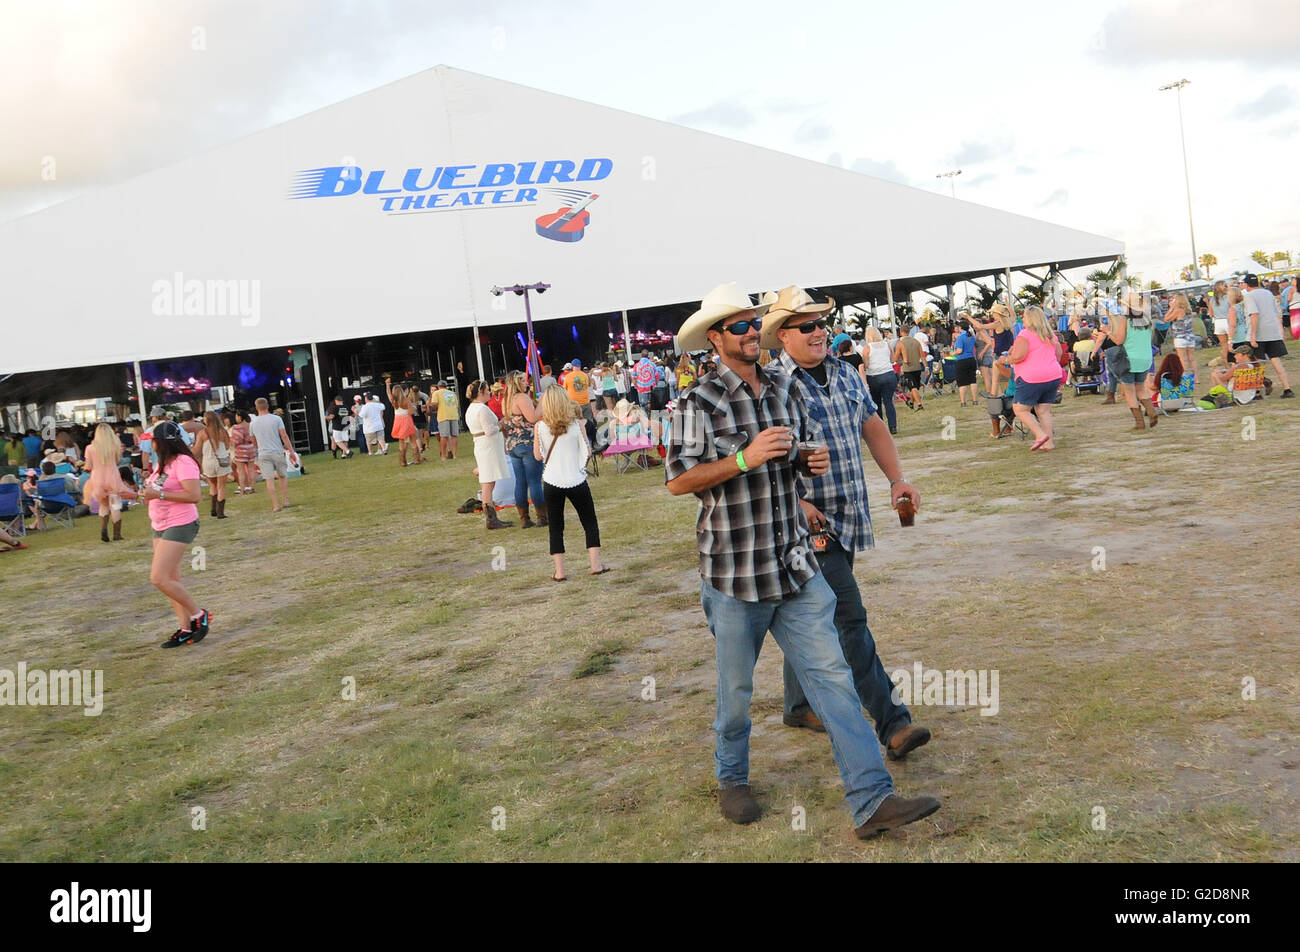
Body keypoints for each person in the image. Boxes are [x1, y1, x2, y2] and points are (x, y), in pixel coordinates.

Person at [666, 281, 940, 836]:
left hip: (793, 564)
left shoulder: (780, 390)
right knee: (737, 692)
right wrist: (742, 458)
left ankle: (872, 800)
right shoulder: (696, 402)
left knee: (834, 679)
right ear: (716, 338)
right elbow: (679, 481)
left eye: (753, 322)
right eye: (739, 326)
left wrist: (802, 465)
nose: (750, 332)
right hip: (734, 572)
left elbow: (791, 459)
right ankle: (732, 777)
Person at [762, 286, 930, 763]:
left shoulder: (846, 373)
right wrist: (795, 501)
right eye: (806, 326)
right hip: (804, 524)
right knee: (847, 618)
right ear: (782, 335)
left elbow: (872, 426)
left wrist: (897, 478)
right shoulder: (770, 384)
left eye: (822, 323)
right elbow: (763, 456)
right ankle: (893, 722)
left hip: (848, 513)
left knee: (811, 613)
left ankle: (797, 705)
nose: (819, 332)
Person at [136, 421, 211, 648]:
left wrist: (158, 496)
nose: (151, 445)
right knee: (170, 579)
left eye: (153, 441)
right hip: (160, 522)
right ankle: (185, 627)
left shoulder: (184, 462)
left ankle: (199, 614)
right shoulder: (163, 464)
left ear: (163, 442)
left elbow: (194, 495)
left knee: (158, 578)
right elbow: (159, 490)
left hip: (180, 522)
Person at [533, 386, 606, 580]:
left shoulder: (539, 426)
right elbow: (588, 451)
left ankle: (560, 571)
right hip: (576, 478)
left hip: (551, 480)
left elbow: (538, 455)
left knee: (556, 527)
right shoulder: (576, 424)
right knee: (589, 521)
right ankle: (595, 564)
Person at [1007, 305, 1064, 450]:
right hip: (1053, 375)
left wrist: (1008, 359)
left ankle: (1039, 434)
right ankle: (1049, 443)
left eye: (1024, 317)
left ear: (1030, 319)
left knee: (1020, 409)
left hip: (1031, 377)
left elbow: (1019, 355)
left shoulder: (1024, 335)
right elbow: (1058, 354)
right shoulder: (1050, 335)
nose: (1023, 319)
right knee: (1044, 410)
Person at [464, 380, 513, 530]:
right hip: (488, 447)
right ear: (481, 392)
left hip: (483, 446)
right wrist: (501, 424)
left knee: (488, 482)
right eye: (487, 390)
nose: (490, 392)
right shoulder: (482, 409)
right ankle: (491, 518)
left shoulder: (472, 408)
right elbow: (490, 430)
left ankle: (491, 517)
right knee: (488, 482)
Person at [1108, 289, 1159, 431]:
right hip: (1145, 358)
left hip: (1129, 359)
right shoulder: (1147, 320)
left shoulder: (1126, 320)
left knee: (1130, 392)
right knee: (1141, 388)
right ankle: (1152, 411)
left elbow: (1119, 341)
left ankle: (1139, 423)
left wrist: (1107, 332)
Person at [502, 371, 546, 529]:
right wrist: (541, 402)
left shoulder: (506, 399)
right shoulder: (521, 398)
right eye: (523, 380)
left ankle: (524, 518)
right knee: (534, 481)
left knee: (520, 482)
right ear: (516, 383)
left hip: (513, 444)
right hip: (527, 442)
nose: (526, 382)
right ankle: (542, 517)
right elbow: (533, 418)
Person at [84, 422, 137, 542]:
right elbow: (117, 461)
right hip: (112, 476)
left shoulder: (90, 448)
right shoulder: (114, 446)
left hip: (97, 477)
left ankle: (104, 529)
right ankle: (117, 534)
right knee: (115, 505)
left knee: (103, 505)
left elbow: (88, 466)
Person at [1242, 273, 1293, 397]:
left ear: (1246, 284)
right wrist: (1280, 330)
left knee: (1253, 362)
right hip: (1273, 331)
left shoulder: (1249, 296)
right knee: (1276, 360)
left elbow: (1254, 314)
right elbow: (1277, 313)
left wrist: (1253, 336)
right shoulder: (1268, 293)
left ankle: (1257, 391)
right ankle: (1287, 388)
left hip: (1259, 332)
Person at [249, 397, 299, 512]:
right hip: (277, 451)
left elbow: (252, 439)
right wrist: (291, 451)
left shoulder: (253, 423)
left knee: (269, 479)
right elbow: (284, 436)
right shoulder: (276, 419)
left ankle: (275, 505)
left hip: (263, 453)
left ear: (256, 408)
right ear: (268, 406)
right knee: (282, 476)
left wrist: (258, 447)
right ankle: (285, 500)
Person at [192, 411, 232, 519]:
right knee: (221, 486)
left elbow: (196, 450)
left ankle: (213, 509)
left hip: (208, 461)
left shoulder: (202, 433)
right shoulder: (223, 432)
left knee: (213, 485)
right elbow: (228, 446)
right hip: (221, 460)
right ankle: (220, 512)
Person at [860, 327, 899, 435]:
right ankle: (893, 426)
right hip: (889, 374)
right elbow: (892, 359)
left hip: (874, 376)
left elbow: (866, 365)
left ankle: (881, 428)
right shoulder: (887, 344)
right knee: (889, 402)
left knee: (876, 403)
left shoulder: (867, 347)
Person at [385, 377, 425, 466]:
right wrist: (413, 407)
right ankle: (416, 460)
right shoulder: (407, 400)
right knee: (413, 440)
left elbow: (388, 394)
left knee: (401, 441)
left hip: (398, 421)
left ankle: (403, 461)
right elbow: (411, 412)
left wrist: (387, 385)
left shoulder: (393, 401)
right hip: (407, 420)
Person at [1166, 293, 1198, 388]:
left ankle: (1186, 378)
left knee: (1182, 359)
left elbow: (1166, 319)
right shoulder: (1188, 310)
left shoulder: (1178, 311)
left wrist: (1171, 308)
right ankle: (1196, 378)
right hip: (1190, 336)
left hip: (1180, 337)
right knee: (1192, 358)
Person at [950, 318, 979, 406]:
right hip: (971, 359)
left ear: (960, 328)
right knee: (972, 380)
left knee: (962, 382)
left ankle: (963, 402)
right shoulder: (972, 336)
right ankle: (975, 401)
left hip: (962, 360)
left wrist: (952, 353)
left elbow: (959, 350)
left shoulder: (960, 337)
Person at [893, 330, 924, 411]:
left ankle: (920, 405)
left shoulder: (900, 343)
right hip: (917, 367)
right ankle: (911, 403)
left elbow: (895, 358)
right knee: (914, 388)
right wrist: (926, 367)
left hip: (907, 368)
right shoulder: (916, 341)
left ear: (901, 332)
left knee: (913, 387)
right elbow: (922, 356)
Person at [229, 409, 258, 494]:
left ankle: (242, 489)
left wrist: (230, 440)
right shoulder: (250, 425)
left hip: (240, 451)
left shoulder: (237, 428)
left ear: (240, 417)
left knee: (241, 470)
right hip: (251, 449)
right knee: (251, 469)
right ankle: (252, 487)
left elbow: (236, 441)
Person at [431, 380, 459, 459]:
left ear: (438, 386)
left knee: (443, 436)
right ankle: (454, 455)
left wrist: (436, 408)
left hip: (443, 416)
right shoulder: (452, 393)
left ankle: (443, 456)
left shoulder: (436, 393)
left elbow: (434, 404)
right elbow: (456, 405)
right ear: (446, 386)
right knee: (455, 435)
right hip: (454, 415)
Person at [1209, 280, 1232, 364]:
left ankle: (1226, 365)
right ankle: (1234, 363)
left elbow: (1211, 314)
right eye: (1225, 286)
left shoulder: (1212, 299)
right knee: (1233, 344)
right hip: (1228, 321)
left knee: (1224, 346)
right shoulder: (1228, 297)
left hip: (1218, 323)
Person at [325, 395, 354, 459]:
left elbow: (332, 417)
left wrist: (326, 417)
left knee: (338, 441)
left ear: (336, 401)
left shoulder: (335, 408)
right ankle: (344, 455)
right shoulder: (346, 407)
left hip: (337, 427)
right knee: (345, 441)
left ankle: (348, 451)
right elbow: (352, 414)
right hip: (345, 426)